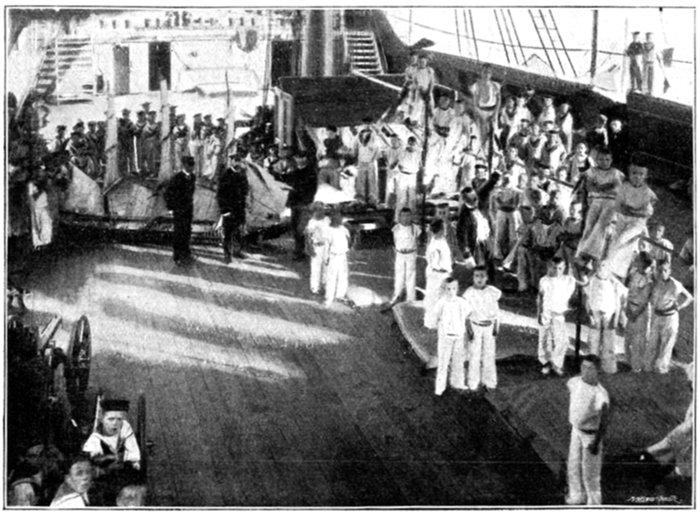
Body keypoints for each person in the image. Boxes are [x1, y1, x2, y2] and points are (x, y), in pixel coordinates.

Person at [565, 354, 609, 506]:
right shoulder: (574, 382)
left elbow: (604, 421)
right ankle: (576, 497)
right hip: (576, 431)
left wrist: (596, 442)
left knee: (590, 475)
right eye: (583, 367)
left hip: (590, 435)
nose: (585, 371)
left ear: (598, 370)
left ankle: (594, 505)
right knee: (573, 465)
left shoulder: (600, 394)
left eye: (590, 368)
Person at [604, 164, 657, 279]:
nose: (637, 177)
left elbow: (647, 212)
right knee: (614, 241)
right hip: (622, 219)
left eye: (641, 174)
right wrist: (627, 210)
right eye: (634, 173)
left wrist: (632, 211)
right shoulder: (624, 187)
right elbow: (618, 206)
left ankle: (613, 268)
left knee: (623, 239)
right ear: (629, 174)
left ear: (645, 176)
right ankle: (610, 270)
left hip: (636, 223)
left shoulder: (647, 192)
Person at [576, 148, 624, 261]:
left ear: (611, 160)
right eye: (601, 159)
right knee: (589, 226)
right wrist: (606, 186)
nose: (604, 162)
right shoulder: (592, 171)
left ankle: (593, 254)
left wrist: (599, 187)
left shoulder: (615, 173)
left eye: (607, 159)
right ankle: (580, 252)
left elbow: (617, 188)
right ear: (596, 160)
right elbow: (589, 187)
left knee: (601, 225)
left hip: (610, 202)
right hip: (596, 201)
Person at [647, 259, 694, 374]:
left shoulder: (675, 284)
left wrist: (679, 306)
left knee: (666, 345)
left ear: (669, 271)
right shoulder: (656, 282)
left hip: (669, 318)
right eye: (660, 270)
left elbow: (689, 297)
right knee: (652, 342)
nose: (662, 273)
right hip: (657, 316)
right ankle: (648, 367)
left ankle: (661, 369)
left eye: (665, 270)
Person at [537, 257, 579, 376]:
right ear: (549, 267)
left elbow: (581, 282)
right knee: (545, 339)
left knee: (563, 341)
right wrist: (539, 312)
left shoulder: (568, 280)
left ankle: (557, 363)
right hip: (546, 312)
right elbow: (540, 297)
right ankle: (546, 363)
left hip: (559, 314)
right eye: (554, 268)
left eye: (560, 268)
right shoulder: (544, 280)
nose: (557, 271)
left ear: (564, 268)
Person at [462, 265, 502, 392]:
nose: (479, 279)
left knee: (489, 354)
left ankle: (490, 382)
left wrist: (496, 326)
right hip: (475, 326)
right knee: (474, 355)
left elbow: (496, 312)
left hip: (489, 326)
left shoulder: (492, 292)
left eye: (482, 276)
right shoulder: (469, 293)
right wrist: (468, 328)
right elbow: (465, 314)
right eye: (477, 276)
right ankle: (473, 383)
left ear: (487, 277)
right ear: (473, 277)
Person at [584, 260, 626, 374]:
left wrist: (616, 317)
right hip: (595, 314)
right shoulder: (591, 281)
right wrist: (590, 314)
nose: (600, 268)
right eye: (598, 265)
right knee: (593, 341)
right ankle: (591, 368)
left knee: (609, 341)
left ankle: (609, 368)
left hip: (609, 315)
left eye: (603, 265)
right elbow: (587, 298)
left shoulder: (614, 282)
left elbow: (619, 300)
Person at [82, 399, 141, 474]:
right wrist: (112, 458)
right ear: (102, 419)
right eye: (111, 419)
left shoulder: (125, 427)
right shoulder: (96, 437)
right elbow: (94, 459)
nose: (115, 423)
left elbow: (133, 453)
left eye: (119, 419)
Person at [434, 277, 469, 395]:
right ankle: (440, 387)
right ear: (444, 290)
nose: (451, 291)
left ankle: (458, 382)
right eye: (448, 289)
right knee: (443, 362)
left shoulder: (461, 302)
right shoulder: (442, 302)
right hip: (446, 336)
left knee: (458, 361)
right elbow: (437, 316)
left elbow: (467, 313)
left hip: (458, 335)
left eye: (453, 288)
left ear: (457, 289)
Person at [216, 148, 250, 263]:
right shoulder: (225, 175)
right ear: (231, 161)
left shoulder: (242, 175)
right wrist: (224, 210)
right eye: (235, 160)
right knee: (228, 233)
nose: (237, 163)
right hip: (229, 209)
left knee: (239, 231)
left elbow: (246, 190)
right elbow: (220, 194)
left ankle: (237, 251)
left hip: (239, 208)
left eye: (239, 160)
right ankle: (227, 254)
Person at [623, 251, 654, 373]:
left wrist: (635, 314)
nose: (635, 260)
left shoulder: (648, 279)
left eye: (637, 259)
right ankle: (628, 363)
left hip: (640, 312)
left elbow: (645, 300)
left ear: (643, 263)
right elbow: (628, 288)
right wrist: (627, 308)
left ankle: (637, 367)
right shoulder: (634, 272)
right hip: (630, 307)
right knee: (628, 338)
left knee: (639, 341)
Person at [285, 152, 318, 261]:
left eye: (302, 157)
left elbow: (312, 189)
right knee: (295, 226)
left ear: (306, 159)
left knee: (302, 227)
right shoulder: (293, 172)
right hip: (295, 203)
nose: (300, 160)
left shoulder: (311, 173)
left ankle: (302, 250)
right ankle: (298, 250)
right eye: (298, 157)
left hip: (305, 203)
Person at [164, 156, 196, 266]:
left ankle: (186, 253)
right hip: (178, 210)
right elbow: (168, 194)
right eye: (189, 166)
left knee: (187, 232)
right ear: (184, 166)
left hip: (188, 210)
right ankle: (177, 256)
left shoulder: (192, 177)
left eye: (192, 165)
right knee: (178, 233)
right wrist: (170, 208)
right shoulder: (177, 178)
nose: (191, 168)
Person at [424, 219, 452, 329]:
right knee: (434, 298)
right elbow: (435, 263)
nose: (446, 230)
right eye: (444, 228)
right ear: (440, 230)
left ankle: (441, 321)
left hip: (441, 273)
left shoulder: (440, 240)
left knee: (442, 298)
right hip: (438, 274)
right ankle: (431, 323)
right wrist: (442, 271)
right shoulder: (436, 244)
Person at [390, 207, 420, 305]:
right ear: (399, 217)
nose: (406, 218)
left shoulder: (415, 228)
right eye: (403, 216)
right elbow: (394, 241)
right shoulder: (396, 228)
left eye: (408, 216)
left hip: (411, 254)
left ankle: (411, 299)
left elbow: (417, 240)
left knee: (410, 276)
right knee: (399, 276)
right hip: (400, 254)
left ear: (411, 216)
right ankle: (397, 296)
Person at [470, 64, 501, 152]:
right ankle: (481, 150)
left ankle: (494, 151)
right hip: (481, 111)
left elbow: (499, 100)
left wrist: (495, 114)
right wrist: (480, 114)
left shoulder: (495, 85)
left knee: (493, 132)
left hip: (492, 111)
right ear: (481, 73)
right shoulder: (476, 86)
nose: (486, 74)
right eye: (484, 72)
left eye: (488, 72)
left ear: (491, 74)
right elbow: (475, 102)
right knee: (481, 131)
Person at [324, 209, 351, 306]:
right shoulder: (329, 230)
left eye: (340, 217)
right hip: (333, 255)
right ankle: (329, 298)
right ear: (333, 218)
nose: (340, 219)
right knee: (331, 277)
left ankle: (340, 295)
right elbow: (327, 245)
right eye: (338, 217)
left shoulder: (344, 229)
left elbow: (349, 240)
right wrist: (326, 258)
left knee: (343, 276)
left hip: (343, 255)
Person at [492, 174, 522, 260]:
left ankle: (512, 255)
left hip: (513, 213)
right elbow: (497, 203)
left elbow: (515, 205)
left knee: (513, 235)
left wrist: (504, 204)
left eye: (508, 179)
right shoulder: (497, 190)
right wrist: (505, 204)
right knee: (499, 234)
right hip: (501, 212)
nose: (506, 180)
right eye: (505, 179)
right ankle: (498, 253)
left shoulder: (516, 191)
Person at [392, 136, 421, 221]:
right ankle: (397, 219)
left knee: (412, 199)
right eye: (410, 144)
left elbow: (420, 165)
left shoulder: (418, 153)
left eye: (413, 144)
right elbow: (398, 164)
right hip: (403, 175)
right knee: (401, 198)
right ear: (408, 143)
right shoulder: (403, 152)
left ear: (415, 144)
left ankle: (412, 219)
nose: (411, 145)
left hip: (413, 176)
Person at [353, 118, 381, 206]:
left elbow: (378, 149)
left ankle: (373, 199)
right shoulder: (358, 136)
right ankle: (360, 199)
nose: (366, 125)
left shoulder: (374, 135)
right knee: (360, 180)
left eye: (368, 124)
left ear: (371, 125)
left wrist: (373, 159)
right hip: (361, 160)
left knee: (372, 181)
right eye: (365, 124)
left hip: (371, 161)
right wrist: (355, 158)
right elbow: (355, 147)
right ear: (362, 125)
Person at [305, 202, 330, 296]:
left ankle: (325, 286)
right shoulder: (312, 222)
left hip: (327, 245)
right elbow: (308, 235)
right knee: (316, 267)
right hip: (317, 246)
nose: (321, 211)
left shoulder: (327, 220)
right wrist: (309, 246)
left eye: (322, 209)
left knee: (327, 266)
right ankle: (315, 288)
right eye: (319, 210)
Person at [117, 108, 137, 174]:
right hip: (122, 142)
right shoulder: (120, 123)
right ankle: (124, 170)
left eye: (127, 114)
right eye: (124, 114)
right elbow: (118, 132)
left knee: (131, 156)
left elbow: (134, 130)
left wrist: (131, 129)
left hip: (129, 142)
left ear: (129, 115)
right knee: (123, 156)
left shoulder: (131, 123)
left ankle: (133, 170)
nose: (125, 115)